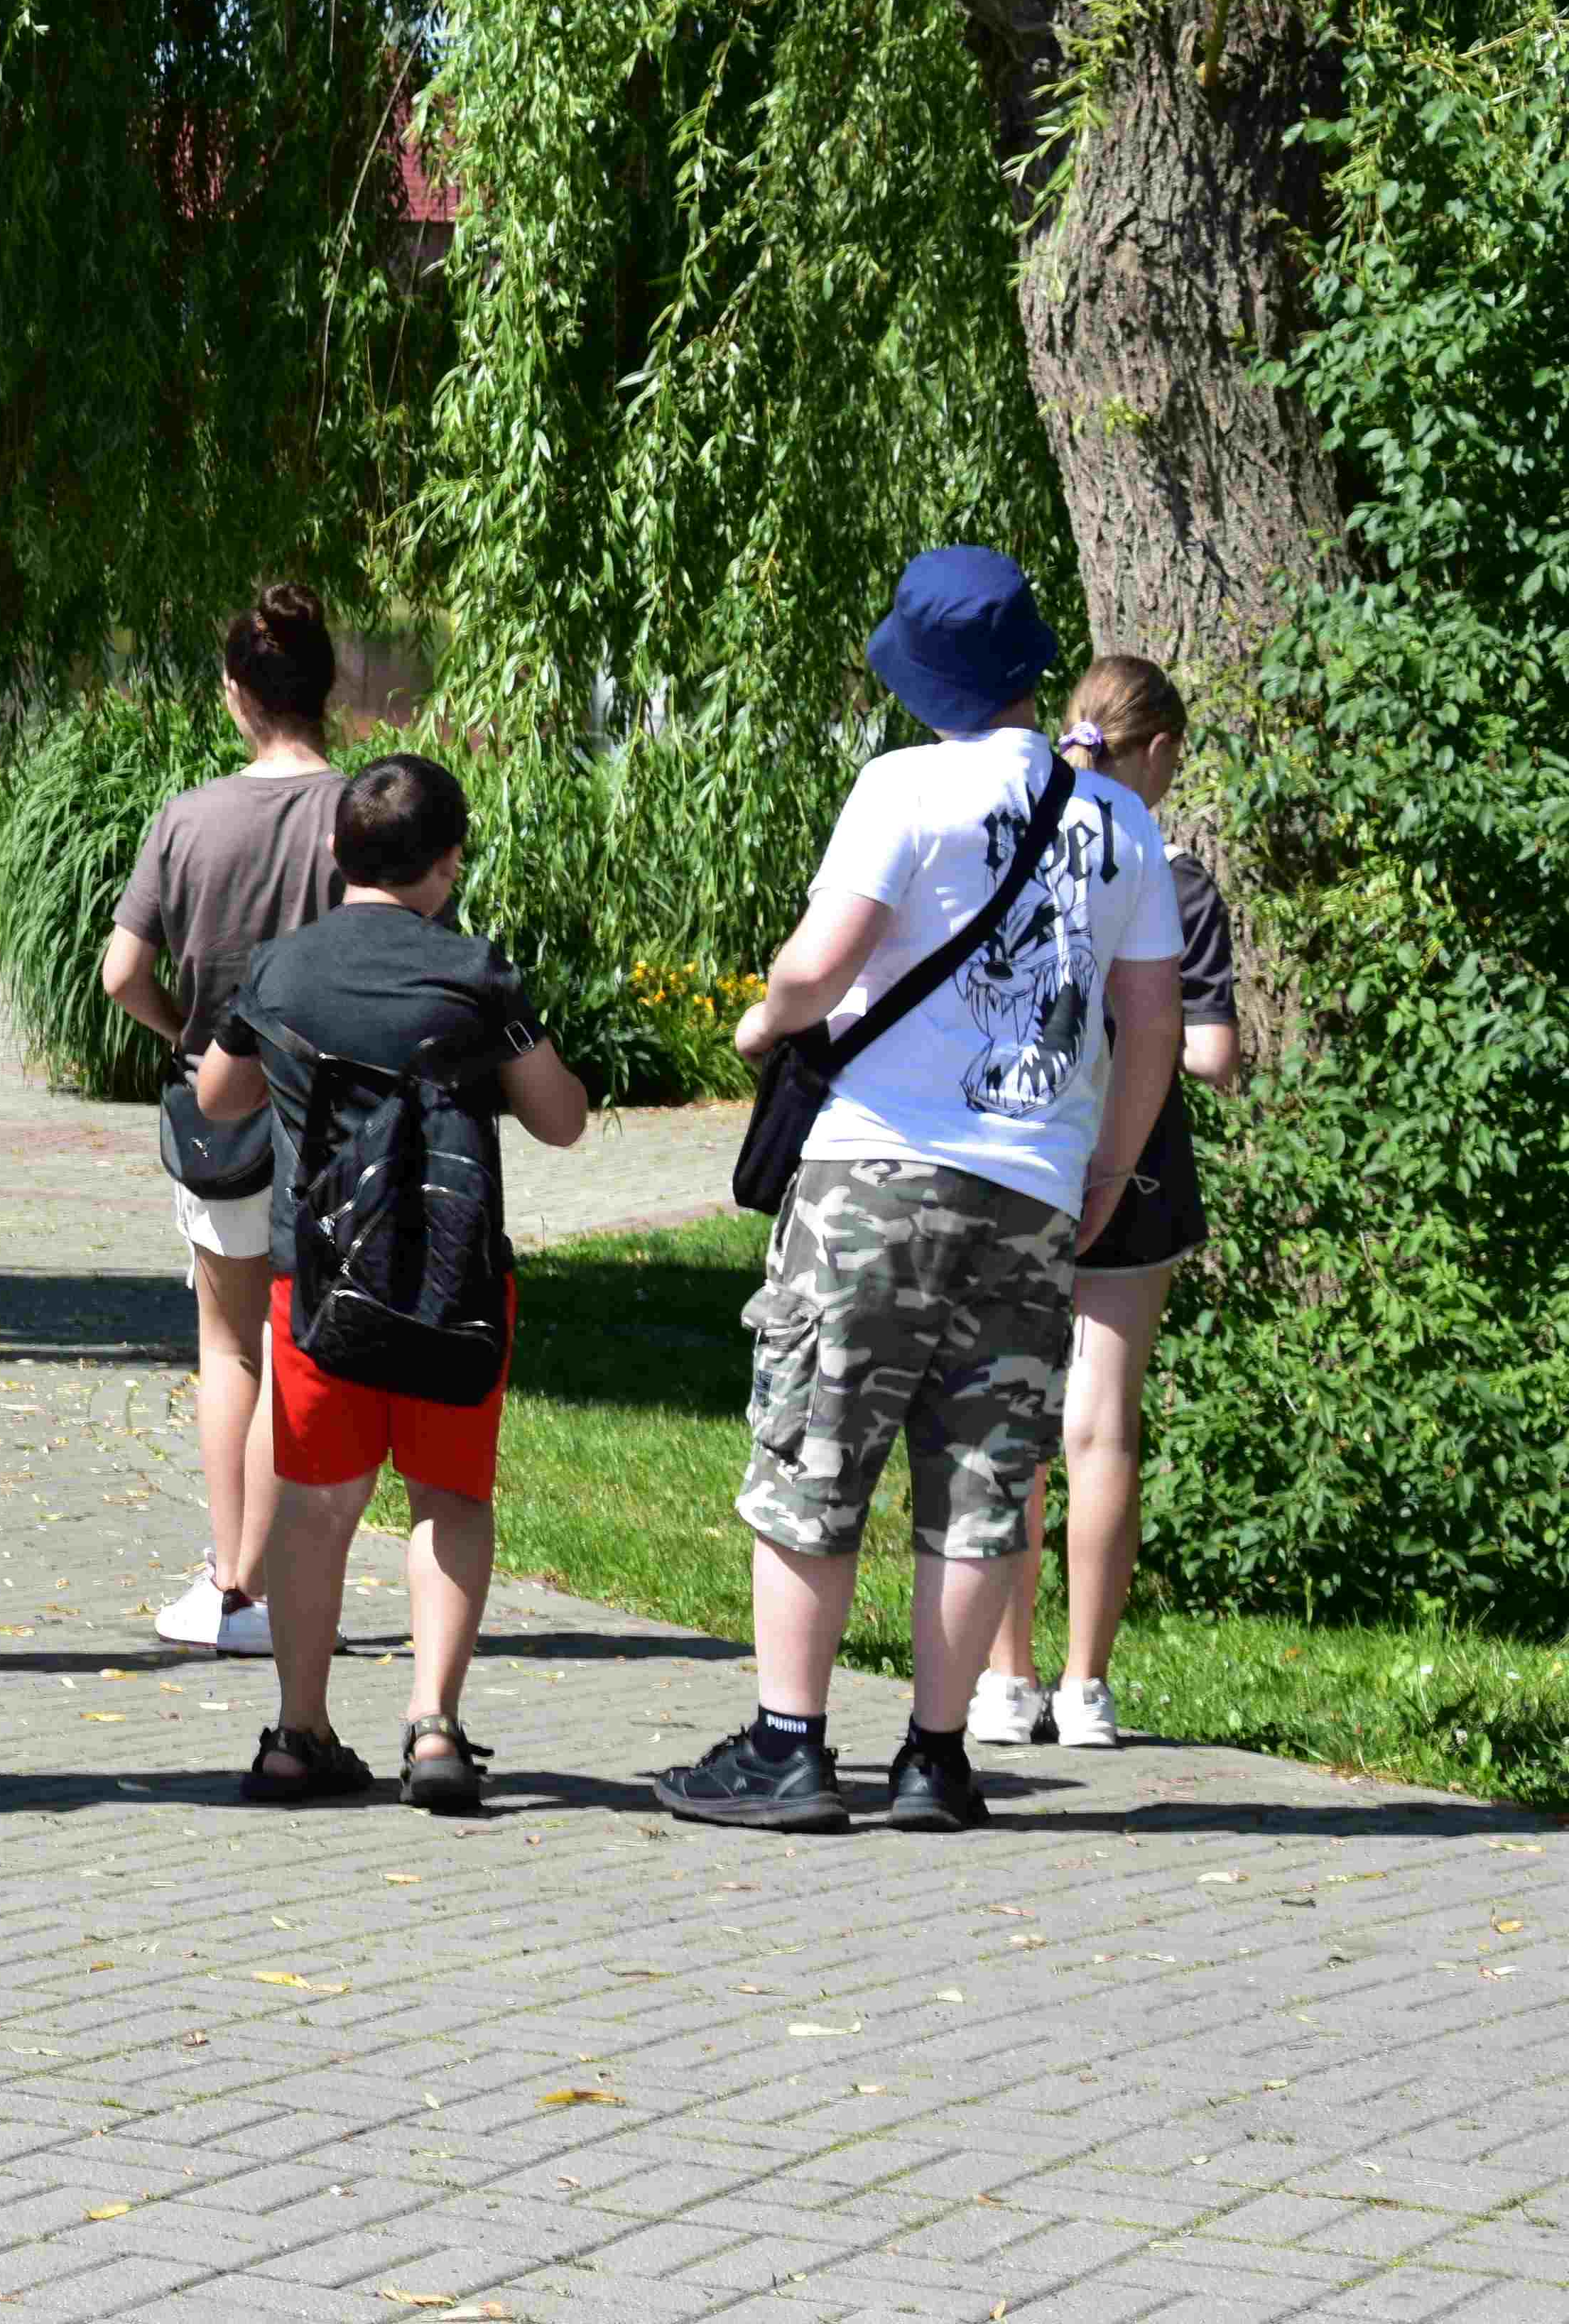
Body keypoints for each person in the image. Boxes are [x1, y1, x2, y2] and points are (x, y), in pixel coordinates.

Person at [657, 549, 1183, 1835]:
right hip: (1036, 1186)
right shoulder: (1123, 822)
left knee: (817, 1453)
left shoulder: (904, 786)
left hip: (877, 1170)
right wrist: (1103, 1172)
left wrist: (767, 1019)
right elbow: (1152, 1028)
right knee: (983, 1479)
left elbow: (823, 959)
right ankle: (937, 1757)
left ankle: (790, 1744)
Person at [189, 755, 590, 1813]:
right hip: (456, 1284)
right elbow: (561, 1118)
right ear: (448, 865)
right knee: (449, 1498)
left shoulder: (283, 969)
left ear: (336, 853)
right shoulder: (475, 972)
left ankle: (297, 1732)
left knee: (315, 1511)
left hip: (318, 1287)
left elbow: (222, 1098)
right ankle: (434, 1729)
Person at [974, 658, 1240, 1751]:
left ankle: (1003, 1681)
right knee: (1102, 1427)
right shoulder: (1173, 876)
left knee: (1005, 1420)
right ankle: (1087, 1689)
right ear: (1163, 753)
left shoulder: (1024, 842)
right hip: (1135, 1168)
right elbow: (1212, 1054)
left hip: (1018, 1143)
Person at [103, 584, 347, 1657]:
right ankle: (288, 1579)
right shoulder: (367, 811)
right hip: (338, 1112)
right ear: (326, 687)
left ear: (238, 695)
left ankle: (232, 1584)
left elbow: (122, 973)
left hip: (218, 1107)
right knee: (298, 1340)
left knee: (228, 1345)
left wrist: (185, 1037)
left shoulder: (189, 818)